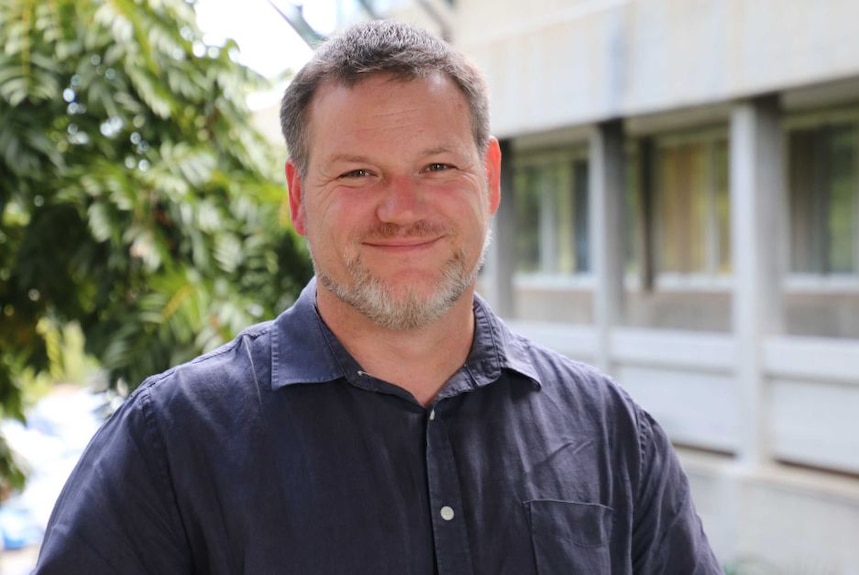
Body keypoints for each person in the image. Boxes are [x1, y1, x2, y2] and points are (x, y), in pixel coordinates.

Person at [34, 19, 722, 574]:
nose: (401, 208)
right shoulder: (172, 443)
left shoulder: (612, 435)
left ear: (490, 178)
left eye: (438, 166)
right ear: (300, 198)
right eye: (359, 173)